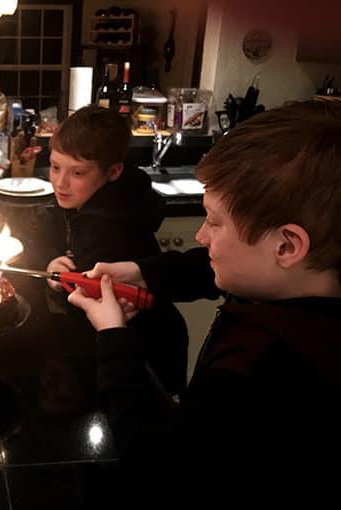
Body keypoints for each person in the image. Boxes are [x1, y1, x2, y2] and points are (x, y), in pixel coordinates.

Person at [68, 101, 341, 501]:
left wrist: (113, 335)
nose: (201, 235)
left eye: (214, 221)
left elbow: (153, 470)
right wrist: (143, 271)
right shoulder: (299, 288)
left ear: (287, 245)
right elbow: (204, 269)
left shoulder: (257, 376)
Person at [44, 104, 188, 397]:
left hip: (144, 349)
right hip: (164, 334)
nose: (60, 182)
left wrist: (57, 284)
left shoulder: (101, 225)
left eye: (78, 172)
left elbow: (88, 308)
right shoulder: (125, 193)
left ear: (113, 172)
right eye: (55, 167)